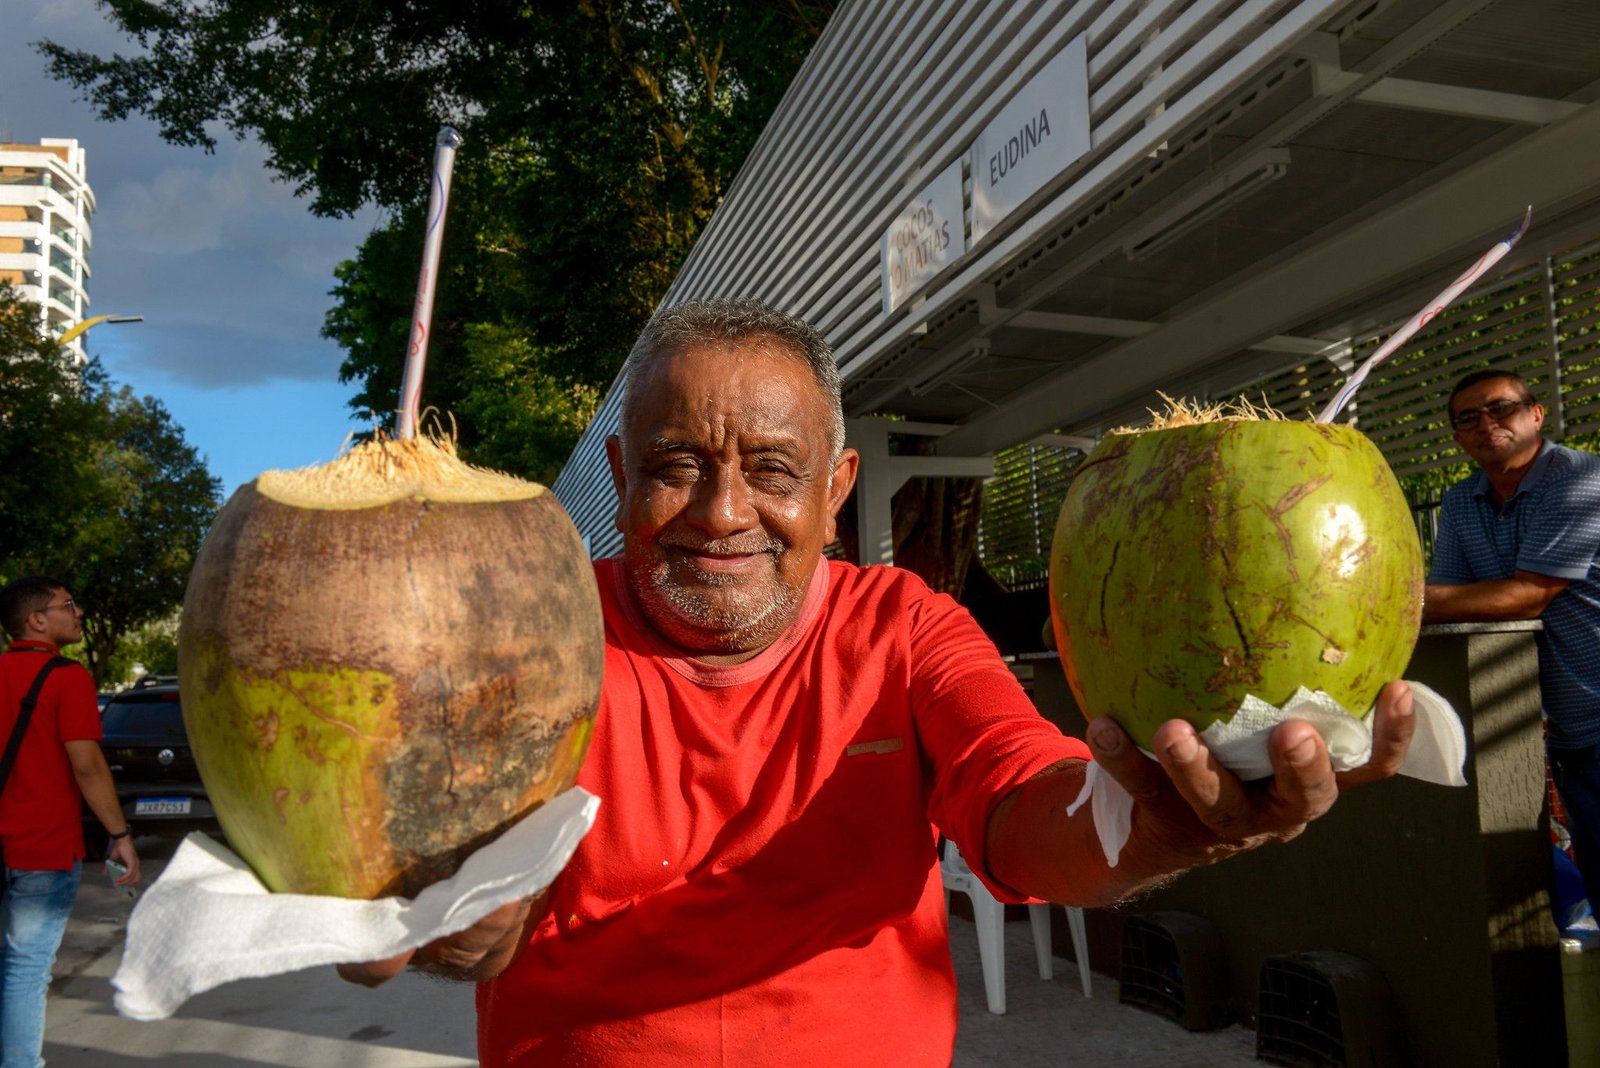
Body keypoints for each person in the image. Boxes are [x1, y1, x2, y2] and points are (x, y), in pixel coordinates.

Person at [341, 299, 1416, 1065]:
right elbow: (446, 902)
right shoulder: (526, 636)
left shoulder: (903, 628)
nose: (722, 513)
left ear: (835, 489)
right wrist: (441, 922)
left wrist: (1162, 829)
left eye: (771, 470)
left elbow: (1021, 804)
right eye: (676, 467)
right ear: (622, 477)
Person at [1423, 369, 1600, 910]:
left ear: (1536, 415)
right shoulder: (1460, 502)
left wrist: (1390, 599)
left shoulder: (1578, 477)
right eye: (1468, 417)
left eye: (1501, 408)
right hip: (1569, 731)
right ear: (1458, 437)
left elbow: (1528, 595)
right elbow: (1449, 603)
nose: (1487, 423)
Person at [0, 577, 140, 1068]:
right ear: (36, 620)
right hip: (43, 844)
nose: (78, 612)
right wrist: (119, 835)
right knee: (26, 965)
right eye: (68, 605)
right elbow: (87, 767)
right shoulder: (66, 677)